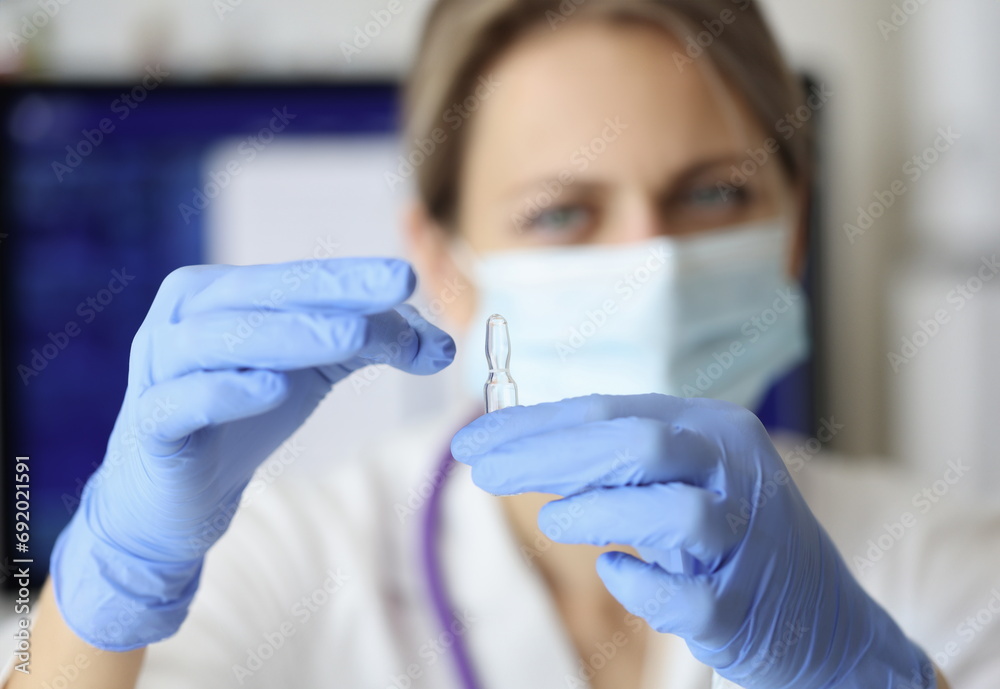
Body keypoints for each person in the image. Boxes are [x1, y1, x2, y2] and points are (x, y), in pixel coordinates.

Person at [7, 1, 999, 687]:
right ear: (442, 262)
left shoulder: (937, 561)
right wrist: (109, 586)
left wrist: (869, 675)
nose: (651, 261)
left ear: (793, 227)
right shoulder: (287, 561)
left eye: (713, 194)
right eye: (561, 212)